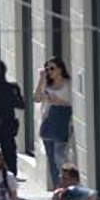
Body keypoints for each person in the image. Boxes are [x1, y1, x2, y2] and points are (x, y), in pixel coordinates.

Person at [35, 57, 73, 189]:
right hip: (48, 122)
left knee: (59, 156)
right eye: (47, 69)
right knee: (51, 159)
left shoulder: (68, 84)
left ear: (60, 69)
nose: (49, 71)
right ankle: (58, 190)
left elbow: (75, 104)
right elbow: (36, 98)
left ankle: (66, 186)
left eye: (52, 68)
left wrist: (59, 102)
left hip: (62, 122)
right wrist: (41, 79)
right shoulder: (47, 84)